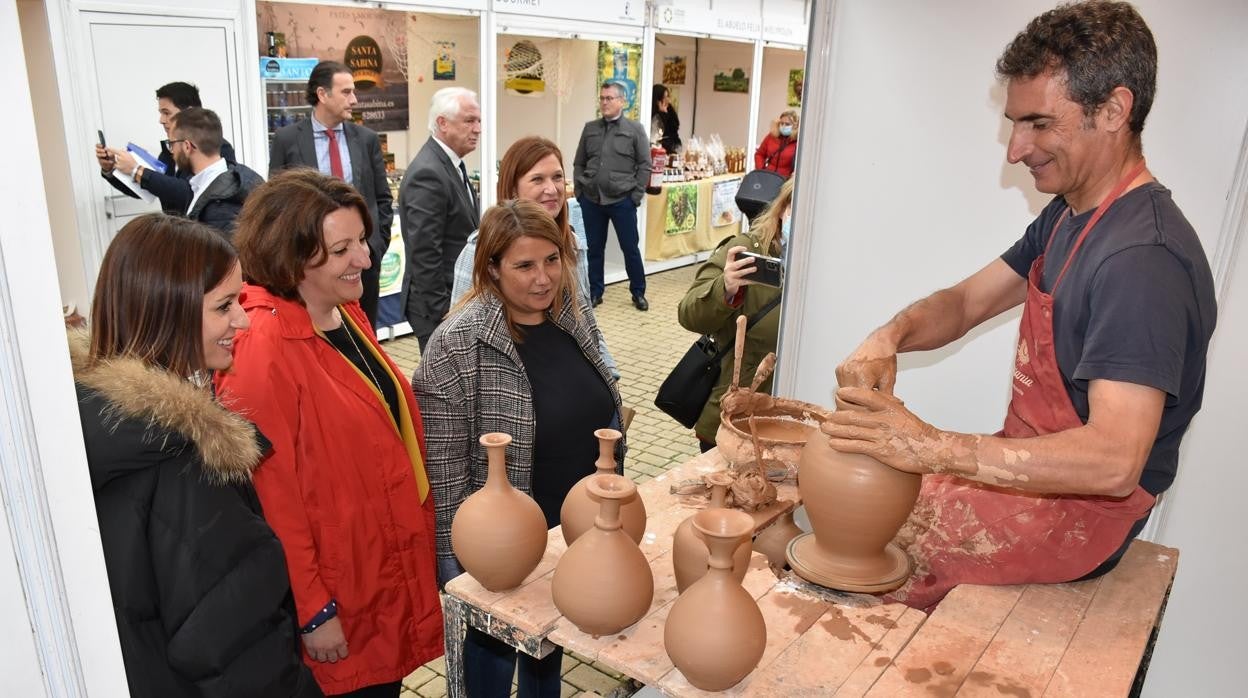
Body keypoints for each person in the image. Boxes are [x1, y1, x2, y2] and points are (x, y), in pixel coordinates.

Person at [824, 0, 1216, 612]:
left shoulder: (1143, 261)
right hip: (1030, 476)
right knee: (863, 506)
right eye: (1014, 122)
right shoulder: (1069, 216)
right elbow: (964, 302)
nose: (1015, 149)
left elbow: (1114, 460)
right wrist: (890, 334)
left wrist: (931, 446)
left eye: (1037, 123)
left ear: (1113, 110)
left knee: (884, 557)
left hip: (1086, 515)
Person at [215, 169, 443, 697]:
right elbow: (272, 498)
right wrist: (314, 610)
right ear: (292, 257)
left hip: (379, 575)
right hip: (337, 596)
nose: (365, 258)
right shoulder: (263, 345)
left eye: (361, 239)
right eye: (342, 249)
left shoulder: (344, 313)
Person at [73, 213, 321, 698]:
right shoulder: (184, 465)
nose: (243, 320)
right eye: (225, 305)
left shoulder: (98, 420)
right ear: (168, 309)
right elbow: (240, 654)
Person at [413, 200, 623, 698]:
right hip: (502, 551)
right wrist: (456, 573)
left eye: (552, 260)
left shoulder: (570, 314)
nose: (544, 278)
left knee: (547, 656)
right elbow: (443, 476)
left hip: (572, 533)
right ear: (491, 268)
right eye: (524, 266)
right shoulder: (456, 346)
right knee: (490, 662)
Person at [449, 135, 618, 378]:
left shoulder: (572, 245)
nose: (552, 189)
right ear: (512, 187)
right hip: (509, 386)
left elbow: (586, 321)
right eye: (537, 179)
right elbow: (459, 336)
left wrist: (609, 375)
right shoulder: (479, 250)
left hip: (568, 377)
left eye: (557, 177)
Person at [269, 61, 393, 328]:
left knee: (364, 332)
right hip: (312, 265)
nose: (354, 99)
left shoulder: (367, 139)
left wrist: (376, 244)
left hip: (362, 260)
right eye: (346, 92)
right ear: (322, 95)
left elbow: (382, 198)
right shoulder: (287, 140)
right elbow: (277, 205)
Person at [678, 178, 793, 451]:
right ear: (782, 208)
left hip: (789, 420)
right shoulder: (747, 249)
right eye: (794, 207)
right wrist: (726, 288)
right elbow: (689, 313)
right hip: (734, 417)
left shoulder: (827, 267)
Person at [398, 87, 482, 350]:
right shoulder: (429, 173)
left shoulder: (451, 164)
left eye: (478, 121)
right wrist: (444, 313)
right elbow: (425, 254)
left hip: (455, 301)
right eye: (470, 121)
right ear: (442, 123)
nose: (478, 128)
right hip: (438, 309)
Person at [96, 81, 238, 214]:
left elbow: (191, 192)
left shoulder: (217, 146)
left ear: (188, 112)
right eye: (161, 113)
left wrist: (136, 169)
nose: (161, 120)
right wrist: (111, 169)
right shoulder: (168, 150)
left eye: (166, 113)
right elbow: (151, 188)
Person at [574, 81, 652, 311]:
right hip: (592, 200)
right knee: (595, 249)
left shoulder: (634, 129)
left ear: (622, 102)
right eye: (602, 98)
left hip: (622, 200)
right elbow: (579, 162)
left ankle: (638, 292)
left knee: (630, 248)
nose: (605, 102)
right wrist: (580, 192)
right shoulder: (590, 128)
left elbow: (645, 165)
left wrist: (635, 197)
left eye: (609, 98)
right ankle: (595, 292)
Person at [168, 107, 263, 237]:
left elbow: (224, 256)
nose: (171, 151)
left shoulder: (221, 206)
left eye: (171, 144)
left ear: (187, 146)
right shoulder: (231, 177)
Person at [752, 109, 799, 179]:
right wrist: (761, 170)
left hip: (785, 180)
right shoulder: (771, 136)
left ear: (795, 126)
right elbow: (759, 154)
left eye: (787, 124)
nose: (783, 126)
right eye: (782, 123)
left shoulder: (798, 142)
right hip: (767, 177)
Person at [651, 83, 681, 155]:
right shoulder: (651, 112)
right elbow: (659, 132)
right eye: (664, 97)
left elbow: (674, 128)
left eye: (668, 96)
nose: (667, 100)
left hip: (672, 146)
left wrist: (666, 113)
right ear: (657, 99)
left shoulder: (670, 109)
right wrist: (662, 114)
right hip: (658, 148)